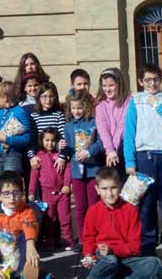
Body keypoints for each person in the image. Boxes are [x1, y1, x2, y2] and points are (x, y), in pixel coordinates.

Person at [123, 63, 162, 260]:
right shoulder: (135, 101)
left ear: (160, 79)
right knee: (147, 204)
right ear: (141, 81)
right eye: (147, 80)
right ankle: (148, 246)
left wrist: (158, 105)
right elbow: (129, 133)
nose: (152, 83)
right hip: (145, 157)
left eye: (155, 79)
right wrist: (129, 161)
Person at [81, 167, 162, 279]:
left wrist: (113, 250)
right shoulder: (93, 211)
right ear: (97, 189)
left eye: (113, 188)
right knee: (110, 261)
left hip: (126, 259)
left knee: (155, 264)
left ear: (120, 186)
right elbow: (88, 238)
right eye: (104, 189)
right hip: (103, 258)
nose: (109, 193)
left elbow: (135, 246)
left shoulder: (131, 210)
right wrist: (89, 255)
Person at [0, 171, 42, 279]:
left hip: (21, 260)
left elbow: (31, 225)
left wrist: (30, 244)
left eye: (16, 192)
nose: (12, 198)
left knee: (27, 237)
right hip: (2, 262)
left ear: (22, 193)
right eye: (6, 193)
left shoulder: (27, 211)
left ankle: (23, 273)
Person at [64, 90, 104, 245]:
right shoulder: (68, 126)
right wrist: (63, 147)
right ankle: (82, 239)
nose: (76, 112)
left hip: (93, 170)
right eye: (73, 108)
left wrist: (88, 152)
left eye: (79, 108)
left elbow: (100, 143)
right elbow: (70, 150)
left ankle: (96, 238)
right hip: (77, 172)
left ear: (86, 107)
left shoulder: (93, 122)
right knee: (80, 207)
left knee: (94, 206)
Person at [28, 128, 72, 250]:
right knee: (49, 219)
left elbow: (68, 170)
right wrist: (31, 191)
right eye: (47, 140)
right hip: (47, 193)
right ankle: (49, 242)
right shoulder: (38, 157)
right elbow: (34, 176)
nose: (50, 143)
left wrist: (67, 185)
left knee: (65, 217)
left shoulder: (60, 156)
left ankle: (68, 240)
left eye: (53, 141)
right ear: (42, 141)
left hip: (62, 192)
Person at [0, 80, 31, 183]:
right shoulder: (0, 113)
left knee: (11, 183)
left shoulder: (20, 112)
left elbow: (26, 138)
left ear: (5, 97)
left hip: (12, 155)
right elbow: (0, 132)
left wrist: (7, 139)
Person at [94, 68, 131, 176]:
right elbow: (102, 127)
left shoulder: (129, 101)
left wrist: (113, 150)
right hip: (107, 152)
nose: (107, 89)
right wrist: (110, 150)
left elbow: (122, 127)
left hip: (124, 152)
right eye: (104, 86)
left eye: (111, 85)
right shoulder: (100, 103)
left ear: (119, 84)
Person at [28, 81, 66, 173]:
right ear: (39, 98)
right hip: (39, 158)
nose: (48, 100)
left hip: (56, 158)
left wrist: (62, 157)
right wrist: (31, 156)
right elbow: (31, 140)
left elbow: (63, 138)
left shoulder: (59, 115)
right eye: (44, 96)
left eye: (51, 96)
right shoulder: (34, 117)